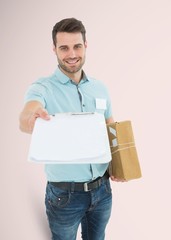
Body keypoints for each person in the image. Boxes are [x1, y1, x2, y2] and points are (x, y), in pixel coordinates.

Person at [19, 18, 123, 240]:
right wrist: (32, 117)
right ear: (54, 49)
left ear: (86, 45)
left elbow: (110, 128)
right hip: (64, 196)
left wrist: (120, 166)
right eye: (64, 48)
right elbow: (27, 114)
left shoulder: (99, 88)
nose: (71, 54)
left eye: (77, 46)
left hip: (102, 191)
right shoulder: (42, 88)